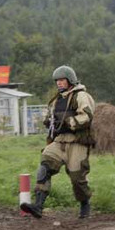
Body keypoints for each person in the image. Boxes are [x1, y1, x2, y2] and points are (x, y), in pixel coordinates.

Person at [21, 66, 96, 219]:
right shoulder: (56, 100)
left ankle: (84, 204)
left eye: (62, 80)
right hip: (59, 141)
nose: (59, 83)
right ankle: (38, 206)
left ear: (70, 80)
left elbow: (87, 116)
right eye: (57, 81)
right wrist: (49, 121)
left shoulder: (81, 96)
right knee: (45, 167)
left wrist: (69, 121)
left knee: (77, 177)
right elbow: (51, 119)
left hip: (77, 142)